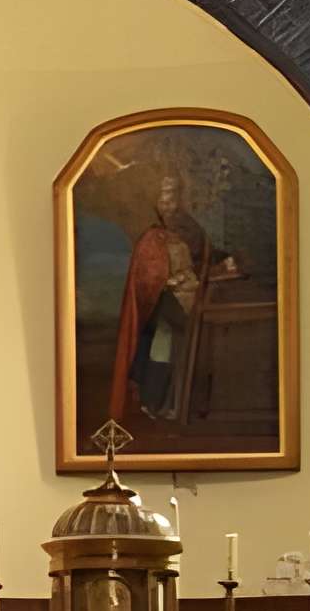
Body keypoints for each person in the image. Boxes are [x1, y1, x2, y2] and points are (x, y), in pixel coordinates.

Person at [103, 172, 240, 433]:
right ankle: (157, 403)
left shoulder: (188, 229)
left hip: (187, 298)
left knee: (182, 344)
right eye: (164, 196)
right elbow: (148, 279)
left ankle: (177, 404)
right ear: (154, 201)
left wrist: (221, 265)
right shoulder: (151, 238)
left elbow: (200, 261)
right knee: (168, 341)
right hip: (163, 303)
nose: (170, 203)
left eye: (173, 195)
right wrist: (169, 282)